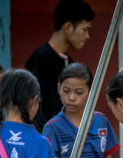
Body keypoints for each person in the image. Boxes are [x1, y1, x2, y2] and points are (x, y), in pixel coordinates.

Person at [25, 0, 94, 132]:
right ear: (68, 27)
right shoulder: (40, 58)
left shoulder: (70, 62)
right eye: (85, 29)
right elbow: (34, 106)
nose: (87, 36)